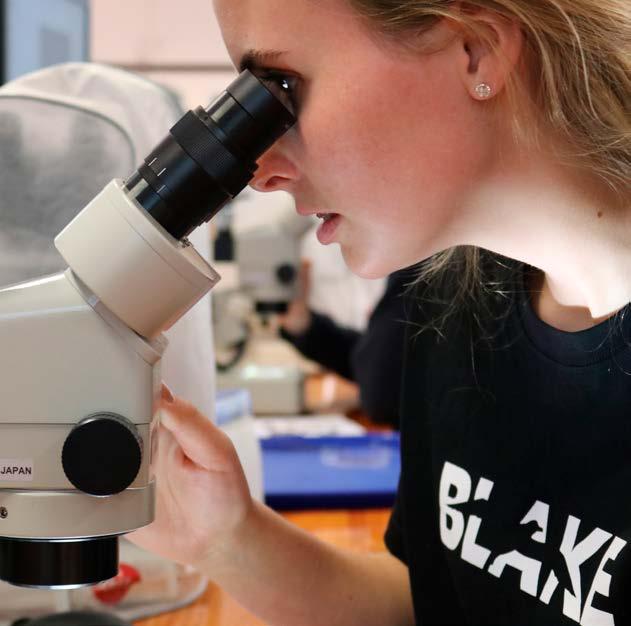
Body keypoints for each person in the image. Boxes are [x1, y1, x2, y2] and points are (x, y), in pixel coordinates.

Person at [129, 1, 631, 624]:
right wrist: (225, 540)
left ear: (476, 48)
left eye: (280, 89)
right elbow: (425, 598)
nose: (260, 172)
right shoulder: (455, 303)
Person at [278, 262, 415, 427]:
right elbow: (375, 358)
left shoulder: (421, 268)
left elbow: (382, 390)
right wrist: (307, 327)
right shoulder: (407, 271)